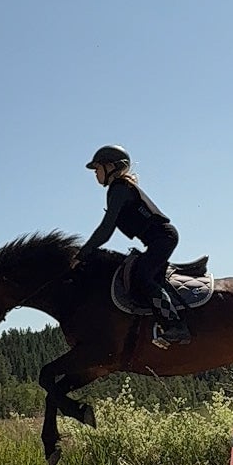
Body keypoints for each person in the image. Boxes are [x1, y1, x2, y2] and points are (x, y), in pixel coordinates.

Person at [77, 147, 191, 346]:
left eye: (97, 168)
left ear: (111, 167)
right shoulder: (120, 188)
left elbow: (106, 228)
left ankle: (175, 326)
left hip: (162, 238)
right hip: (159, 238)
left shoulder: (120, 188)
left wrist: (83, 253)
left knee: (142, 277)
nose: (95, 173)